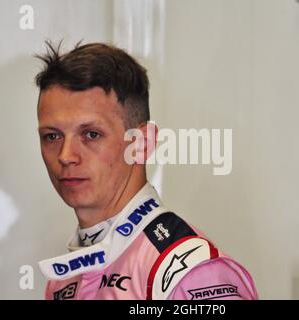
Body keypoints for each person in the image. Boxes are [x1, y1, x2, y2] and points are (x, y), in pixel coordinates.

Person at [35, 41, 257, 300]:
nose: (65, 156)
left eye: (91, 134)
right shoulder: (63, 279)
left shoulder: (188, 274)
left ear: (142, 144)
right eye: (52, 136)